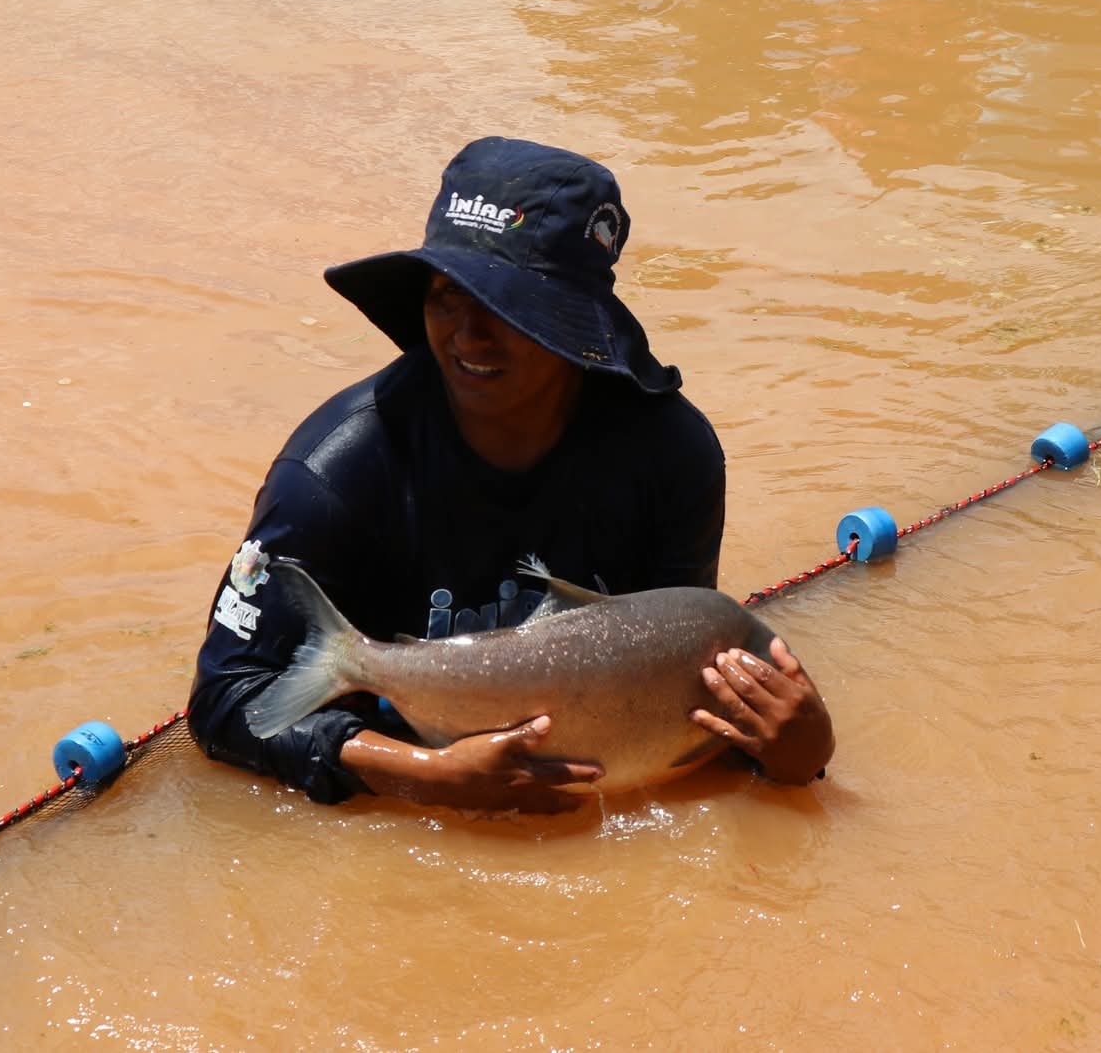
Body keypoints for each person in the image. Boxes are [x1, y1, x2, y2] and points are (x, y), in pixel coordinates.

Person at [187, 136, 832, 812]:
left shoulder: (671, 455)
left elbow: (674, 686)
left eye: (503, 307)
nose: (467, 335)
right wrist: (421, 773)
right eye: (445, 296)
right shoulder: (332, 474)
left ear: (571, 325)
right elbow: (227, 701)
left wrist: (796, 754)